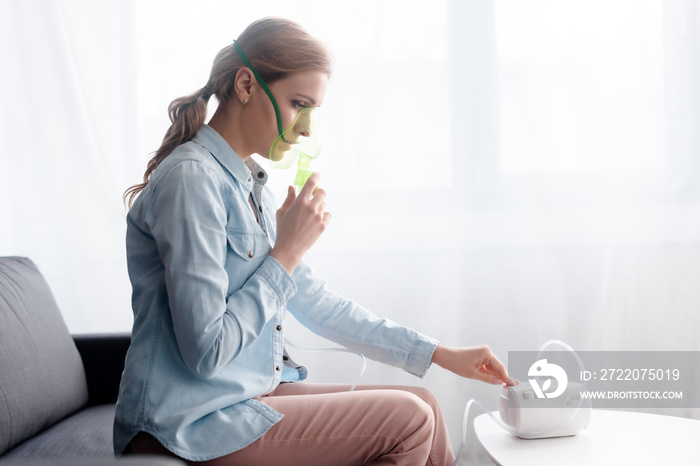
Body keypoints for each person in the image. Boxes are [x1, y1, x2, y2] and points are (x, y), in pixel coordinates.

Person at [115, 17, 512, 466]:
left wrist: (440, 354)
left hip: (235, 400)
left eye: (313, 111)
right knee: (410, 419)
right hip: (186, 423)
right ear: (246, 84)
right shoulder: (192, 181)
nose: (305, 129)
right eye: (298, 104)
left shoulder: (250, 189)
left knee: (425, 402)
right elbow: (206, 353)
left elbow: (319, 305)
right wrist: (285, 254)